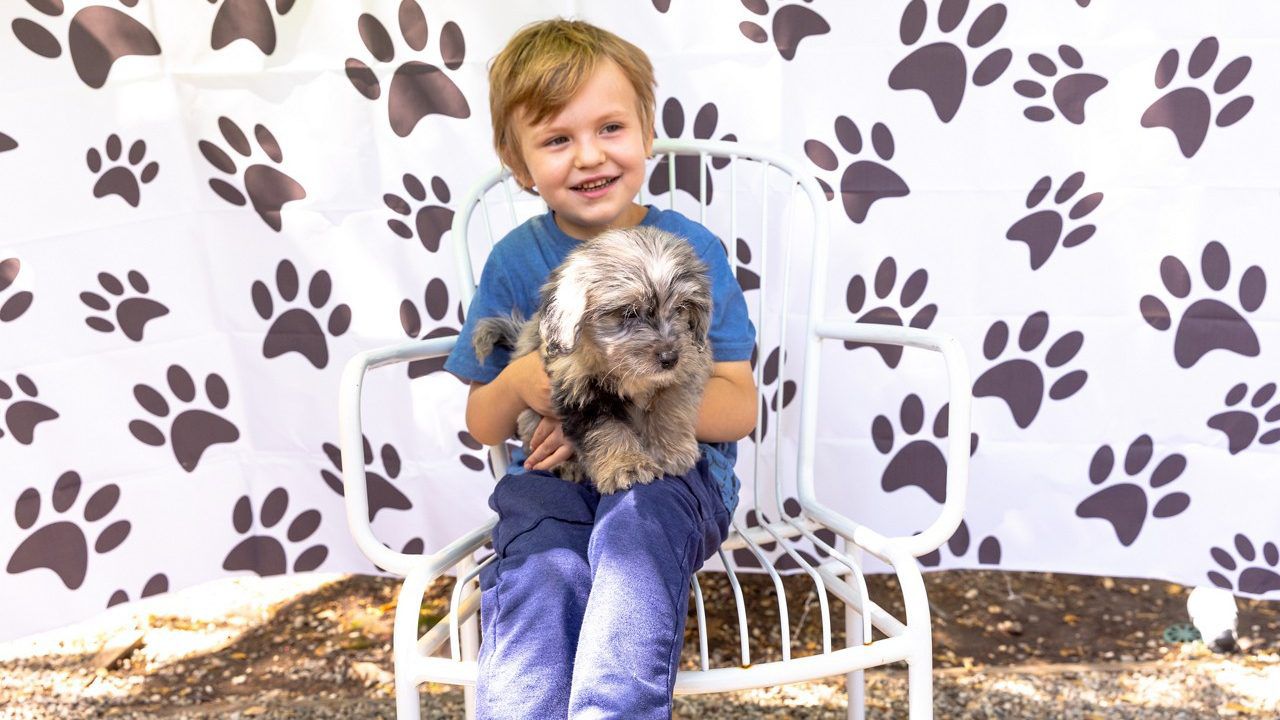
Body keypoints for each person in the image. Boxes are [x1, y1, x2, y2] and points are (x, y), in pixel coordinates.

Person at [443, 18, 757, 719]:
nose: (589, 156)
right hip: (550, 480)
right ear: (519, 164)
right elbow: (483, 422)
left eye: (610, 128)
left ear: (647, 134)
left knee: (633, 533)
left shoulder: (691, 249)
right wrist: (522, 382)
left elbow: (740, 406)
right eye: (557, 140)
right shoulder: (514, 262)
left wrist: (607, 405)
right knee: (540, 570)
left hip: (675, 478)